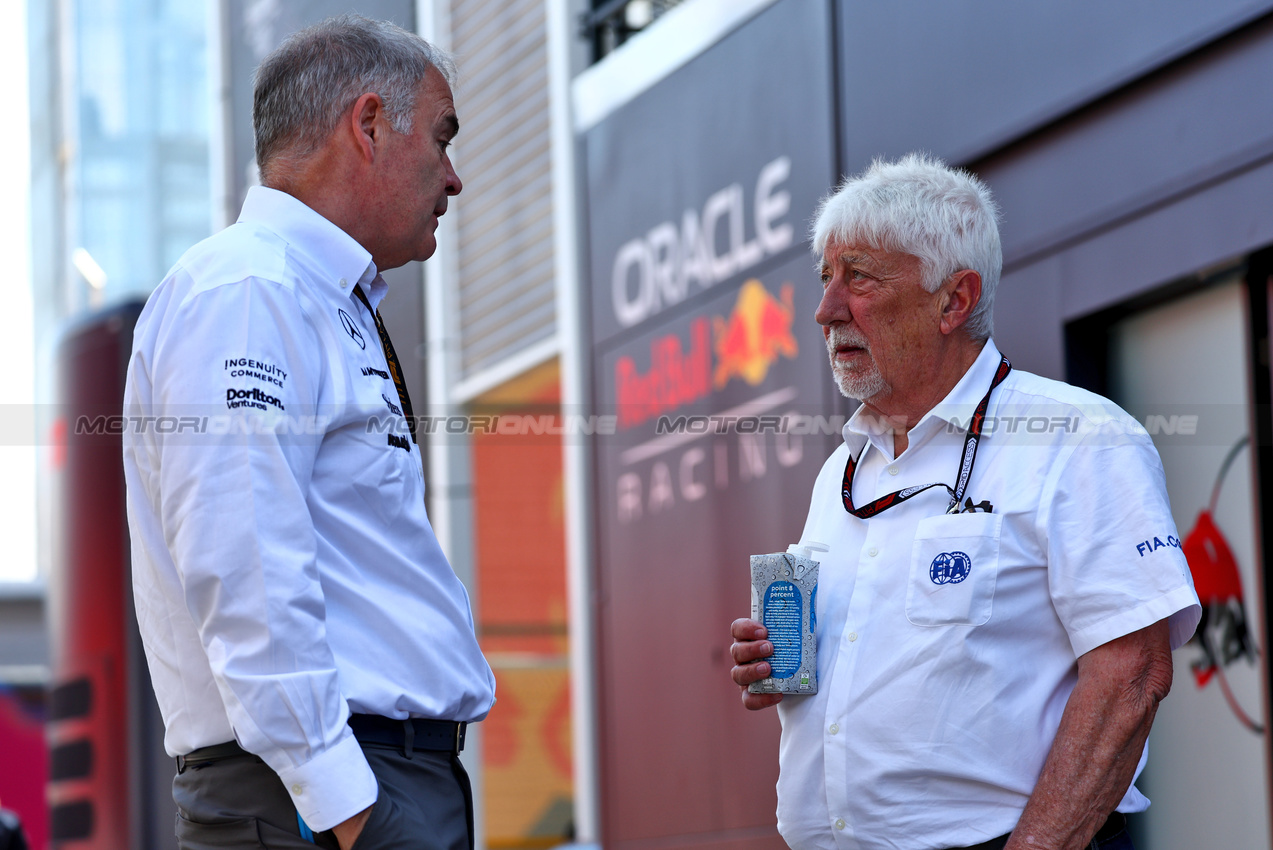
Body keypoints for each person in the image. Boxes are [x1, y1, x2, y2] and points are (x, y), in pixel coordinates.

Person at [729, 154, 1200, 850]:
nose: (826, 310)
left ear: (953, 299)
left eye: (858, 276)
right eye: (825, 279)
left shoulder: (1077, 436)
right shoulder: (842, 470)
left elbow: (1130, 674)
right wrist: (779, 663)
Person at [123, 16, 494, 850]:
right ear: (367, 125)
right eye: (441, 138)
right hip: (320, 797)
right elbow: (243, 563)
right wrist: (350, 810)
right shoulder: (249, 291)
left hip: (350, 787)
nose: (453, 177)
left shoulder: (310, 296)